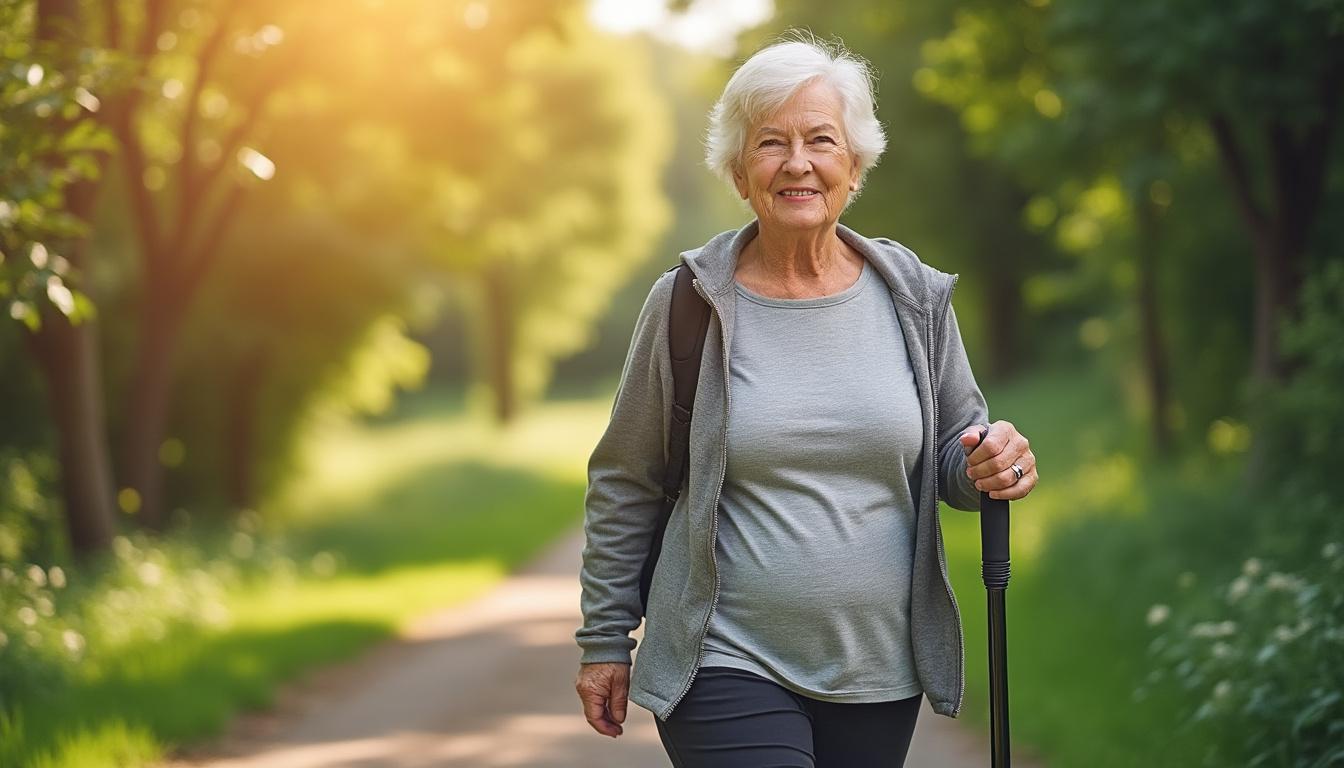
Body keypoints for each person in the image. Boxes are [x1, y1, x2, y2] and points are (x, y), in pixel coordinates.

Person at [574, 31, 1038, 767]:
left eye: (821, 140)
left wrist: (991, 460)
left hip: (877, 668)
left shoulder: (913, 297)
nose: (797, 163)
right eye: (770, 143)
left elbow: (957, 454)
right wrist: (605, 638)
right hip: (722, 656)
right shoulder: (689, 304)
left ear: (854, 165)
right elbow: (626, 476)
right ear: (739, 172)